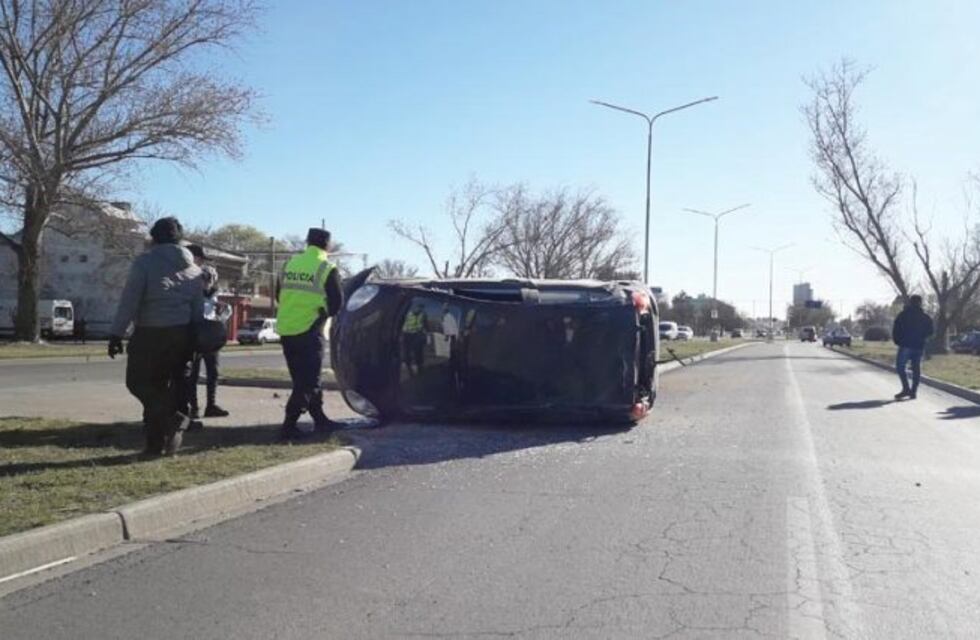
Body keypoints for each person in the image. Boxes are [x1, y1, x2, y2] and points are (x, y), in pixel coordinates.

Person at [108, 217, 202, 457]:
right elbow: (198, 309)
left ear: (154, 237)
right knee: (163, 388)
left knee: (139, 383)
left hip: (151, 332)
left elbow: (130, 299)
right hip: (182, 334)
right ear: (179, 238)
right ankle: (157, 444)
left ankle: (171, 420)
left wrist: (117, 333)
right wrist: (194, 338)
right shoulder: (193, 269)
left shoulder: (145, 262)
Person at [276, 227, 344, 439]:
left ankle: (320, 419)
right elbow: (337, 304)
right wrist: (321, 314)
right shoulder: (326, 267)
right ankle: (288, 425)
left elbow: (280, 295)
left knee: (301, 379)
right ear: (327, 245)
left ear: (307, 242)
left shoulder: (289, 264)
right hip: (310, 329)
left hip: (286, 330)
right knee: (309, 382)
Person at [186, 244, 231, 423]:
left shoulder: (213, 295)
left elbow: (220, 314)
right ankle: (193, 407)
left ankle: (211, 405)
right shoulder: (192, 289)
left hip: (211, 336)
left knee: (213, 372)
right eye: (205, 279)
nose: (208, 283)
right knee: (193, 373)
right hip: (195, 335)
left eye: (211, 280)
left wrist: (222, 311)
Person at [892, 294, 934, 400]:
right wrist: (922, 338)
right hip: (919, 346)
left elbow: (896, 328)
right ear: (920, 303)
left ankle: (906, 388)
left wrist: (897, 341)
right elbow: (931, 331)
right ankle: (913, 391)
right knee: (916, 369)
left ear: (910, 302)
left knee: (900, 367)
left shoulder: (903, 315)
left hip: (905, 345)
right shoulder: (925, 317)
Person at [401, 302, 428, 376]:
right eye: (418, 307)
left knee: (418, 351)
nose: (419, 309)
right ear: (414, 307)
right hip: (407, 334)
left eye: (421, 308)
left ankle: (419, 367)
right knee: (406, 352)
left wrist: (426, 334)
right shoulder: (408, 313)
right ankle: (409, 367)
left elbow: (426, 325)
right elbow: (402, 322)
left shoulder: (423, 315)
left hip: (417, 334)